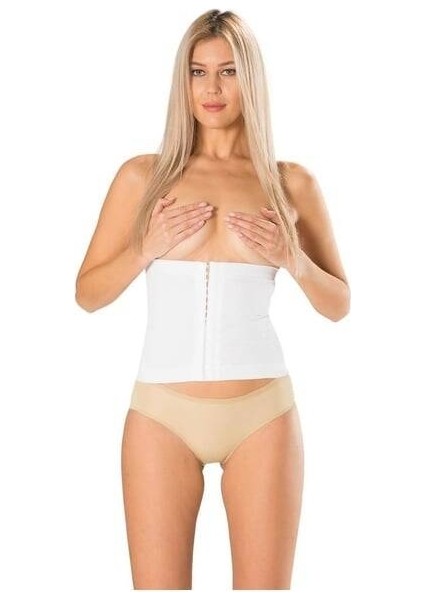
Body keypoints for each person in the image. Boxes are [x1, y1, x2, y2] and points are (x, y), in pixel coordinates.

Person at [75, 8, 350, 591]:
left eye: (228, 71)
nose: (213, 89)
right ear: (183, 81)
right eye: (198, 72)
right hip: (160, 415)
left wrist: (293, 259)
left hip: (263, 415)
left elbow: (338, 303)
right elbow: (87, 294)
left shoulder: (289, 182)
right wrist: (145, 248)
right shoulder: (142, 177)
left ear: (250, 79)